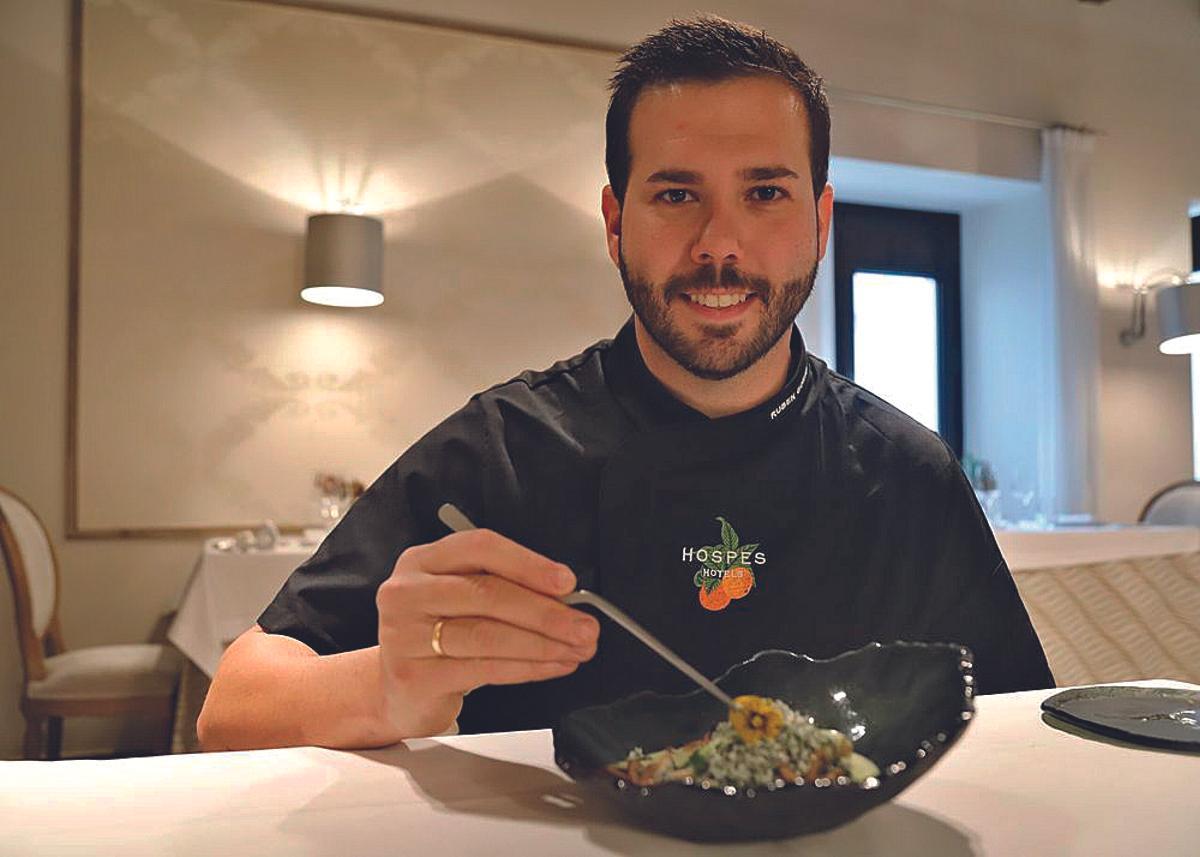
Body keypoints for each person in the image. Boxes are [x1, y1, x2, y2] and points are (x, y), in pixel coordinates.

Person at [197, 16, 1053, 752]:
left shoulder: (905, 470)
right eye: (677, 194)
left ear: (821, 222)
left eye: (765, 192)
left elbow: (1017, 728)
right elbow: (232, 706)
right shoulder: (503, 448)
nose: (722, 243)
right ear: (615, 223)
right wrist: (390, 685)